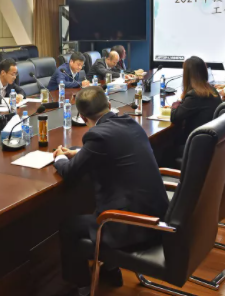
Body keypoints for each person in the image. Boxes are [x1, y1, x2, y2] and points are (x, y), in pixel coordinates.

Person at [52, 87, 169, 296]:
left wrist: (59, 157)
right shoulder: (130, 123)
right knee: (104, 202)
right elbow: (113, 149)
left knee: (69, 227)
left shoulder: (97, 135)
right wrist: (81, 153)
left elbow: (70, 173)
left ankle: (82, 287)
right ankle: (111, 270)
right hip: (157, 216)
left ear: (82, 117)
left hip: (134, 226)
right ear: (108, 105)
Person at [168, 56, 222, 168]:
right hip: (208, 145)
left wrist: (175, 104)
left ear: (187, 75)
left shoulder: (195, 95)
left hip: (195, 147)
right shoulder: (212, 90)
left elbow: (175, 117)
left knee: (161, 150)